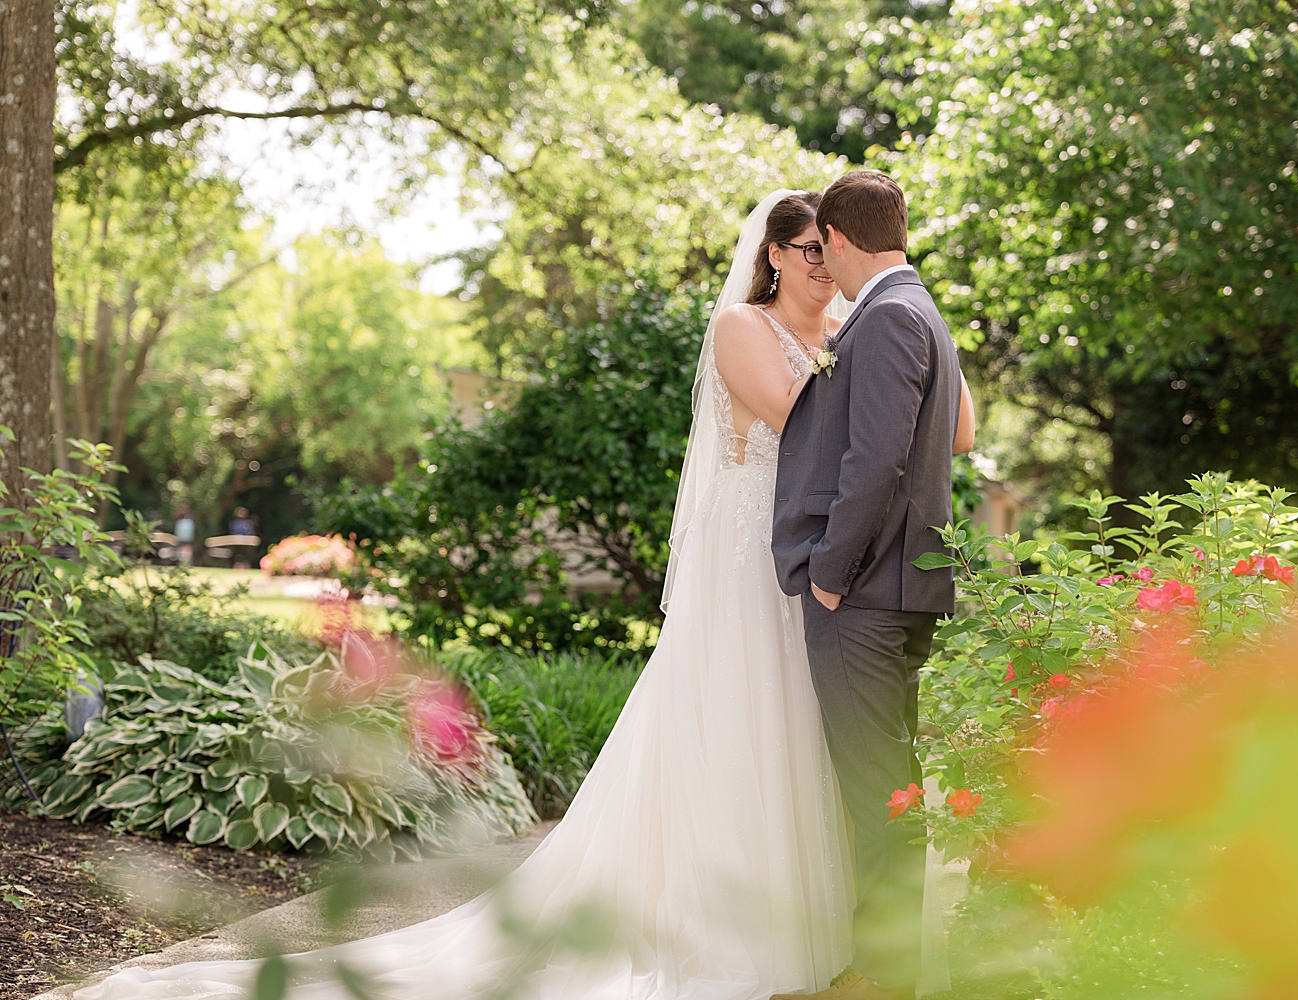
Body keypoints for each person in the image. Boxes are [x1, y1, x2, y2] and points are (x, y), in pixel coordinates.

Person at [76, 188, 974, 1000]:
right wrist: (864, 365)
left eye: (830, 250)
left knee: (828, 758)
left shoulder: (866, 331)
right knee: (745, 736)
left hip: (828, 577)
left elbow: (920, 425)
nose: (822, 266)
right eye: (808, 250)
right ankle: (728, 927)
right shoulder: (747, 329)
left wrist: (899, 354)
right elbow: (807, 426)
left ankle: (837, 936)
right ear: (776, 254)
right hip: (761, 570)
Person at [771, 170, 963, 1000]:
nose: (826, 267)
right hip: (898, 594)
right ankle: (886, 966)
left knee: (876, 790)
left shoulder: (884, 318)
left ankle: (882, 979)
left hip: (866, 598)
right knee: (891, 785)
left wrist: (829, 577)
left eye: (826, 249)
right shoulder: (921, 310)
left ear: (842, 239)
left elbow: (875, 461)